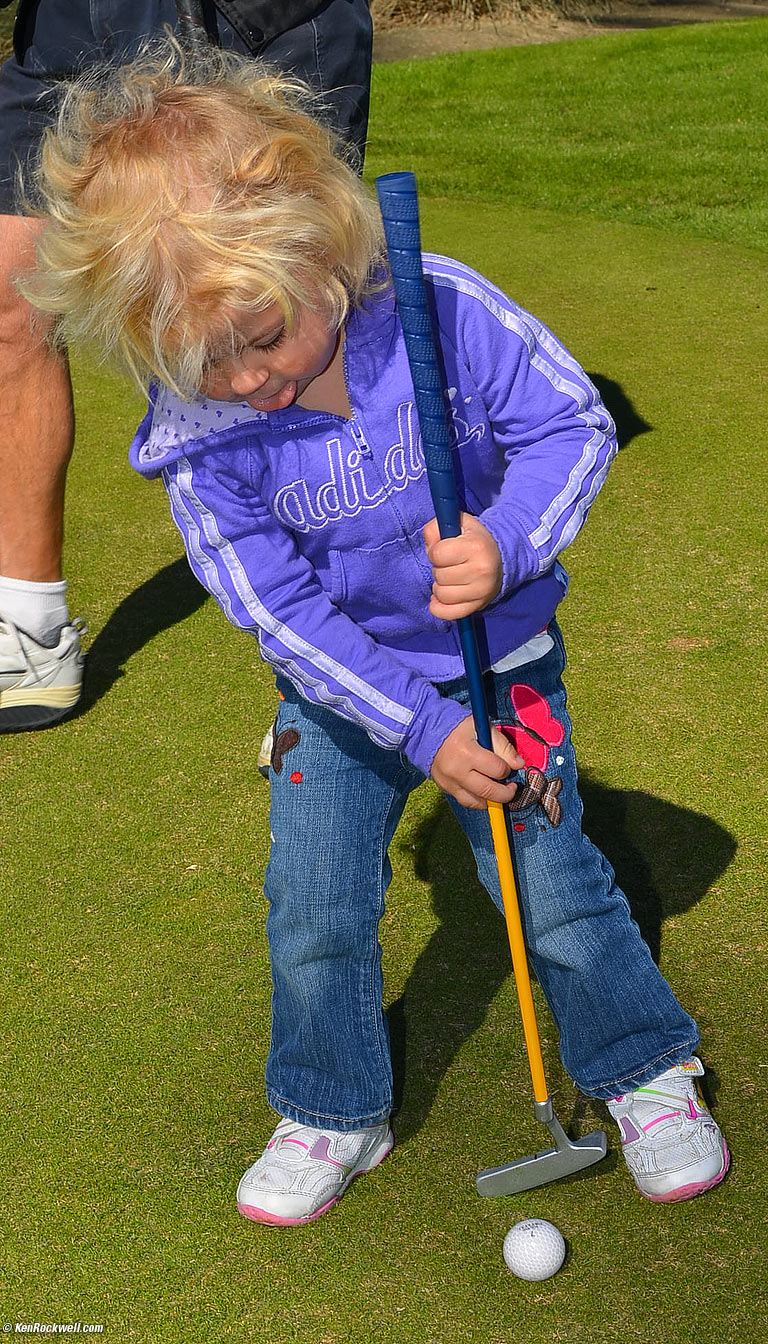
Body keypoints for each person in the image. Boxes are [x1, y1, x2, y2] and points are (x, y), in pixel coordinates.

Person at [21, 38, 730, 1225]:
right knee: (313, 906)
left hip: (499, 666)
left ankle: (646, 1066)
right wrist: (421, 726)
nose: (245, 382)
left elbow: (571, 425)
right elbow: (275, 611)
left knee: (551, 888)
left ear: (320, 251)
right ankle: (331, 1105)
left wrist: (505, 539)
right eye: (197, 360)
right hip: (347, 697)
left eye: (259, 337)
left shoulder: (441, 308)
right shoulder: (200, 429)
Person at [0, 0, 372, 732]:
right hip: (68, 25)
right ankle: (29, 629)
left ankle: (346, 654)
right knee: (10, 299)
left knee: (281, 306)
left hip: (255, 13)